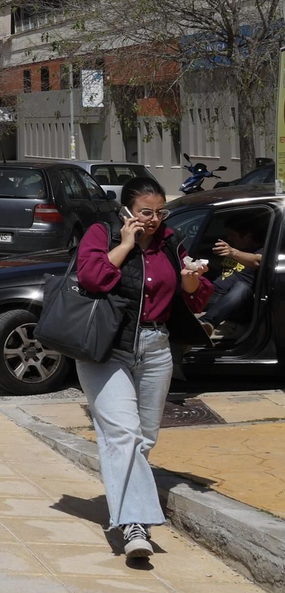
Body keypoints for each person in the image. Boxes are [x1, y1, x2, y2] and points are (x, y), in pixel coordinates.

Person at [74, 176, 213, 560]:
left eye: (159, 212)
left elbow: (197, 299)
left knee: (143, 439)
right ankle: (135, 526)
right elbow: (92, 278)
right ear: (126, 211)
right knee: (124, 434)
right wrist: (126, 243)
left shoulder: (172, 243)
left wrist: (189, 282)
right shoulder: (102, 235)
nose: (153, 220)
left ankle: (125, 507)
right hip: (106, 349)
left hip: (155, 349)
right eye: (144, 212)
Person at [204, 214, 267, 330]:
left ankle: (206, 323)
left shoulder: (262, 251)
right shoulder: (233, 248)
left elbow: (258, 261)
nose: (229, 239)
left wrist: (233, 252)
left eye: (232, 235)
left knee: (242, 287)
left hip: (236, 305)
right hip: (212, 296)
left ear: (248, 237)